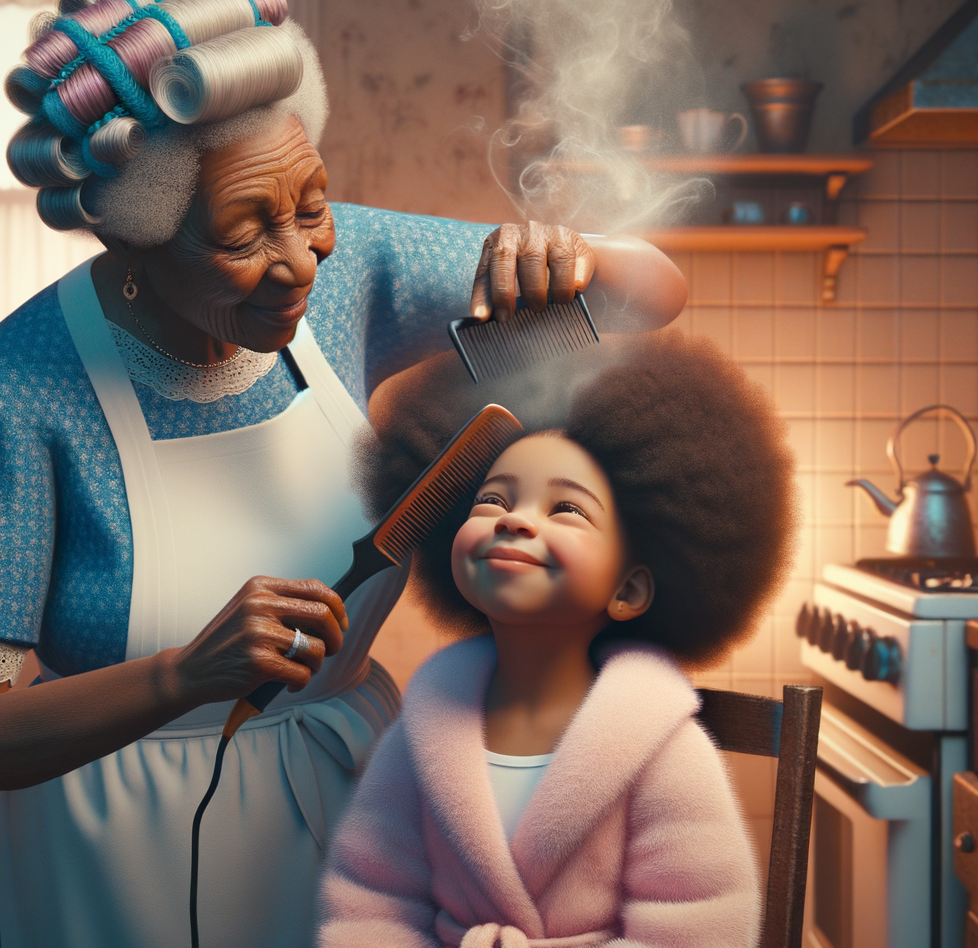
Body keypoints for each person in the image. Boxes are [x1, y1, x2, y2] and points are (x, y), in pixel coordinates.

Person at [0, 0, 686, 948]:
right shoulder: (12, 391)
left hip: (348, 820)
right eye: (245, 232)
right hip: (102, 858)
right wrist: (182, 676)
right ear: (137, 239)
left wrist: (568, 261)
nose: (300, 256)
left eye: (311, 204)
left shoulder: (349, 280)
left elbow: (651, 293)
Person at [318, 330, 798, 948]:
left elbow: (702, 926)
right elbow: (367, 899)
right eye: (492, 499)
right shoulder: (420, 736)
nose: (515, 519)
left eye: (566, 510)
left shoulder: (662, 752)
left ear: (629, 589)